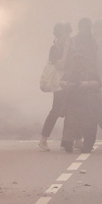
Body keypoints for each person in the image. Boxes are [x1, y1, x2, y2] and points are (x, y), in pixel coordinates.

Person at [37, 22, 73, 152]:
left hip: (67, 82)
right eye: (65, 34)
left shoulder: (67, 47)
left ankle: (70, 140)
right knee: (56, 111)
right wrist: (67, 49)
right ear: (58, 35)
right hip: (59, 84)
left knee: (70, 110)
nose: (67, 37)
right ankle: (43, 139)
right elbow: (60, 65)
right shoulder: (55, 49)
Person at [60, 51, 102, 153]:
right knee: (70, 124)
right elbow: (61, 81)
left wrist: (87, 84)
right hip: (73, 102)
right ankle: (67, 143)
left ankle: (88, 145)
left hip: (88, 103)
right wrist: (65, 84)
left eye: (80, 59)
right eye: (76, 60)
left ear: (84, 61)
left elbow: (99, 84)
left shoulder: (91, 72)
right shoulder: (70, 73)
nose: (78, 62)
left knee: (89, 125)